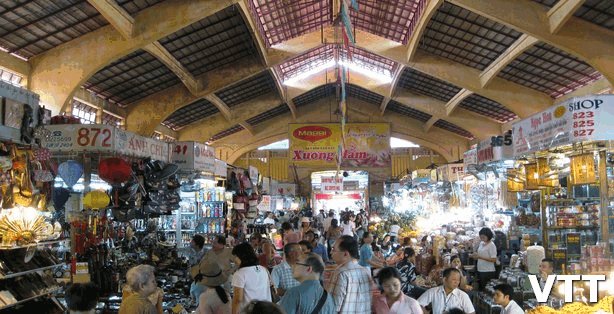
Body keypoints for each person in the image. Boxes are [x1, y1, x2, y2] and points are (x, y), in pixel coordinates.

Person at [327, 235, 372, 314]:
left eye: (333, 249)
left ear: (345, 254)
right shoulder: (365, 271)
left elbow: (333, 306)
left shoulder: (341, 273)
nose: (331, 252)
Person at [231, 243, 272, 314]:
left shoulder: (240, 274)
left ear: (242, 256)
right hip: (266, 310)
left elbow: (238, 299)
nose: (234, 260)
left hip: (249, 311)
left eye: (235, 257)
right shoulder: (263, 269)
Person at [189, 234, 208, 305]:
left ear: (197, 244)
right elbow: (191, 265)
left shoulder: (207, 253)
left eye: (192, 241)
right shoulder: (192, 252)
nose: (190, 242)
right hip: (196, 278)